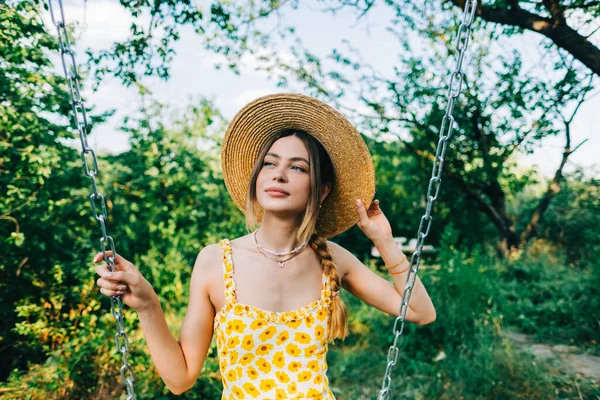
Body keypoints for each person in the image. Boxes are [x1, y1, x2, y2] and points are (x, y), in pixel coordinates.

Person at [94, 93, 436, 399]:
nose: (279, 174)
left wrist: (385, 242)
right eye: (270, 163)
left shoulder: (333, 259)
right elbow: (181, 379)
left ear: (322, 189)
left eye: (297, 167)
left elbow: (421, 312)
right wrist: (147, 304)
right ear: (257, 176)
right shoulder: (216, 262)